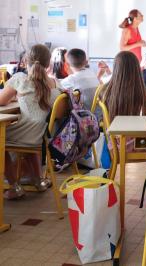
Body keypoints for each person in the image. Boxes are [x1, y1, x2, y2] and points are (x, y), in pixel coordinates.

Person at [0, 44, 62, 199]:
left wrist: (16, 95)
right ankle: (38, 180)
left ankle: (14, 186)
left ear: (25, 60)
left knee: (1, 139)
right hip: (42, 135)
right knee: (29, 131)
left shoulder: (20, 79)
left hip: (29, 134)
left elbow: (1, 101)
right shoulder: (54, 83)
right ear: (49, 64)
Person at [101, 51, 146, 151]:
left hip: (113, 144)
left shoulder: (106, 90)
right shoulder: (138, 91)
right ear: (136, 69)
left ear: (116, 68)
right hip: (134, 144)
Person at [61, 48, 100, 117]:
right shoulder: (92, 72)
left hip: (85, 118)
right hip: (99, 115)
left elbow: (58, 85)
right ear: (86, 62)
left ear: (67, 64)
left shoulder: (72, 79)